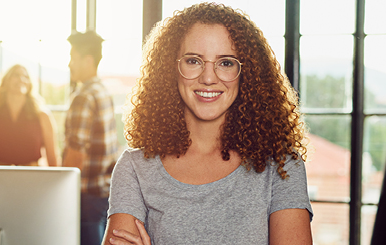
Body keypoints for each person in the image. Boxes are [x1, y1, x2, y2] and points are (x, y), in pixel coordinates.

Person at [103, 3, 313, 245]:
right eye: (193, 61)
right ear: (171, 68)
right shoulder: (135, 168)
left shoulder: (282, 166)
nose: (209, 78)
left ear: (248, 73)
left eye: (226, 63)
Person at [64, 30, 120, 245]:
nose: (69, 64)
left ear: (88, 61)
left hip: (85, 196)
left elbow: (76, 154)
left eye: (72, 58)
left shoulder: (84, 97)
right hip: (103, 193)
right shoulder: (102, 92)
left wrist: (61, 196)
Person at [0, 64, 59, 167]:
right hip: (0, 180)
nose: (21, 79)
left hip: (33, 179)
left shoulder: (43, 117)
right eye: (16, 75)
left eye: (26, 77)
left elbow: (53, 160)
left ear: (30, 85)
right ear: (4, 83)